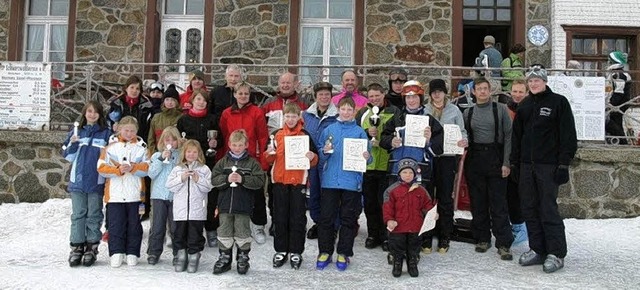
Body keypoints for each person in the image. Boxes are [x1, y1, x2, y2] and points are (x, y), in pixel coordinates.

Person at [511, 66, 577, 273]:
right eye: (530, 81)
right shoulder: (525, 105)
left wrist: (563, 164)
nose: (533, 84)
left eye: (537, 80)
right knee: (529, 208)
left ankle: (556, 253)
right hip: (526, 166)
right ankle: (537, 248)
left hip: (548, 166)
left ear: (545, 81)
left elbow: (568, 136)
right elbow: (517, 137)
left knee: (547, 209)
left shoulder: (558, 102)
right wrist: (514, 163)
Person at [315, 97, 372, 271]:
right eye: (343, 109)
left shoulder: (360, 132)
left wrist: (367, 157)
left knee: (348, 219)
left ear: (354, 111)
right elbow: (319, 152)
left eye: (349, 110)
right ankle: (325, 251)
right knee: (326, 218)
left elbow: (368, 158)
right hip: (330, 181)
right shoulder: (329, 129)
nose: (346, 113)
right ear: (338, 110)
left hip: (351, 182)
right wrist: (324, 152)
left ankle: (344, 252)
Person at [462, 77, 513, 260]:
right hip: (475, 160)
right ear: (474, 92)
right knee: (478, 202)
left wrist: (506, 163)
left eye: (485, 88)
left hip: (495, 158)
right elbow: (463, 135)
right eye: (479, 89)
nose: (482, 92)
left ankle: (504, 243)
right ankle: (482, 238)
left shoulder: (500, 109)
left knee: (498, 203)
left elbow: (509, 136)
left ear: (490, 91)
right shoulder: (467, 113)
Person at [263, 103, 318, 270]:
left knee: (297, 218)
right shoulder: (276, 135)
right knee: (280, 217)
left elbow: (315, 160)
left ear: (299, 117)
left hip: (298, 183)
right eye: (287, 116)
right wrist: (269, 154)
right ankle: (280, 250)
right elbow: (268, 158)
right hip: (279, 182)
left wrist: (311, 156)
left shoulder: (305, 136)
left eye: (294, 116)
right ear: (283, 117)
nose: (291, 119)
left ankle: (296, 251)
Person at [218, 82, 269, 245]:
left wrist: (262, 160)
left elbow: (262, 136)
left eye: (246, 94)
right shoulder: (227, 113)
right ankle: (233, 225)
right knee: (234, 191)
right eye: (240, 93)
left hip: (251, 157)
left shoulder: (257, 112)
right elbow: (224, 136)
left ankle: (258, 224)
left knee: (255, 191)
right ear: (234, 94)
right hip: (232, 156)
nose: (243, 96)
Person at [63, 100, 112, 267]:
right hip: (78, 181)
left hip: (96, 181)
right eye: (89, 111)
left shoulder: (105, 133)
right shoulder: (76, 132)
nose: (92, 114)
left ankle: (91, 246)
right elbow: (67, 156)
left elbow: (110, 157)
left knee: (94, 214)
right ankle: (77, 246)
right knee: (78, 214)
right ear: (84, 113)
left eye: (95, 112)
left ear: (100, 115)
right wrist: (74, 143)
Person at [97, 116, 149, 268]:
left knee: (134, 226)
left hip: (135, 195)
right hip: (115, 196)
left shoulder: (142, 148)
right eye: (126, 130)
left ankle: (132, 252)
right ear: (119, 129)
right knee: (115, 225)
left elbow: (148, 167)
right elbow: (101, 168)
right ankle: (116, 252)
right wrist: (117, 170)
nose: (129, 133)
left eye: (132, 130)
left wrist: (134, 168)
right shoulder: (110, 148)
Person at [212, 129, 266, 275]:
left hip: (243, 205)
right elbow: (214, 179)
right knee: (224, 231)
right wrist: (226, 179)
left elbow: (260, 181)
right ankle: (225, 257)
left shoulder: (252, 163)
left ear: (246, 145)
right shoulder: (222, 162)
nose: (237, 148)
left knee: (242, 231)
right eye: (234, 145)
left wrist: (243, 180)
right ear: (229, 144)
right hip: (225, 205)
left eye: (240, 145)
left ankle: (243, 257)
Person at [423, 79, 468, 253]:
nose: (437, 94)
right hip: (428, 157)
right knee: (427, 197)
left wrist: (464, 141)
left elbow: (462, 132)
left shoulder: (454, 110)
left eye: (440, 91)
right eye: (434, 91)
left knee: (445, 198)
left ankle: (444, 237)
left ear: (445, 93)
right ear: (430, 94)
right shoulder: (425, 110)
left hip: (447, 158)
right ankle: (426, 237)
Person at [261, 72, 309, 236]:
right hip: (277, 154)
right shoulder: (269, 102)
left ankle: (297, 224)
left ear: (295, 84)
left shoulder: (304, 103)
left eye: (289, 82)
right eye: (283, 83)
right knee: (276, 193)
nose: (285, 85)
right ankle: (276, 221)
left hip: (297, 156)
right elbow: (262, 127)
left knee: (297, 195)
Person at [355, 83, 401, 251]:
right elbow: (355, 134)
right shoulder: (362, 113)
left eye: (377, 95)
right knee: (370, 203)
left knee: (385, 203)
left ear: (383, 95)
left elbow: (398, 133)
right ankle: (373, 234)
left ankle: (385, 235)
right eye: (371, 96)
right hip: (368, 164)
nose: (374, 99)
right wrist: (368, 132)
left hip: (386, 164)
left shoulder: (394, 111)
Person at [176, 89, 220, 248]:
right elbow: (178, 140)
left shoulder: (212, 119)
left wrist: (215, 143)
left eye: (204, 101)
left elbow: (219, 139)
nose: (201, 102)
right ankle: (191, 232)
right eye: (199, 99)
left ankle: (211, 229)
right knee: (190, 198)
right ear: (192, 100)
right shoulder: (183, 120)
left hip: (207, 162)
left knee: (209, 197)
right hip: (188, 164)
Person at [107, 75, 154, 221]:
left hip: (138, 145)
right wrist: (112, 126)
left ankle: (141, 211)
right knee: (118, 176)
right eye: (132, 87)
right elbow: (109, 120)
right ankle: (113, 216)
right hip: (119, 145)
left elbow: (148, 126)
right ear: (126, 88)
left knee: (139, 177)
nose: (134, 91)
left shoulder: (146, 105)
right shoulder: (116, 103)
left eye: (137, 88)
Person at [383, 158, 436, 278]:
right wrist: (389, 220)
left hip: (415, 226)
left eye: (411, 173)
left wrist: (432, 213)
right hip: (398, 227)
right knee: (397, 246)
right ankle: (397, 263)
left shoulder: (421, 190)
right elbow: (387, 207)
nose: (408, 175)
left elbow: (427, 204)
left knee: (414, 246)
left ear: (415, 174)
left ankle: (412, 263)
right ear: (399, 174)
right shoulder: (391, 191)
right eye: (404, 172)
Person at [166, 139, 213, 273]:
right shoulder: (177, 169)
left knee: (195, 234)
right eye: (188, 151)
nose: (191, 154)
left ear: (199, 153)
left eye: (194, 152)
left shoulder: (204, 169)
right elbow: (169, 185)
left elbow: (209, 187)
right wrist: (181, 178)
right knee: (179, 234)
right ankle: (181, 255)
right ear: (184, 153)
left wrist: (198, 179)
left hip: (197, 211)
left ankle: (194, 256)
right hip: (180, 211)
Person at [302, 81, 338, 239]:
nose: (324, 97)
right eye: (321, 94)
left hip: (329, 161)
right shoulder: (306, 115)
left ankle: (333, 225)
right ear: (315, 97)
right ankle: (318, 222)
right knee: (313, 192)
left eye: (327, 94)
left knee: (329, 194)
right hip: (310, 160)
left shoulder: (337, 116)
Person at [146, 127, 182, 266]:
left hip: (175, 196)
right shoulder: (156, 156)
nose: (171, 142)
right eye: (167, 139)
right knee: (157, 225)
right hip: (159, 196)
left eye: (174, 139)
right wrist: (162, 159)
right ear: (162, 141)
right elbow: (151, 174)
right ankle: (153, 252)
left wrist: (173, 158)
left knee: (175, 227)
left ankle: (178, 252)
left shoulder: (180, 156)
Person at [505, 79, 528, 245]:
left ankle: (522, 227)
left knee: (524, 195)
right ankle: (515, 225)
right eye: (515, 91)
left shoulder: (530, 109)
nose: (517, 95)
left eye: (521, 91)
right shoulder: (506, 110)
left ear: (526, 93)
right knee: (510, 194)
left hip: (526, 158)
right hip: (510, 157)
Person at [605, 51, 633, 145]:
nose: (608, 61)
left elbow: (619, 92)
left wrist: (611, 104)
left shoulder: (619, 74)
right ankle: (621, 142)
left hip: (620, 103)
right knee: (616, 121)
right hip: (619, 102)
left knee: (610, 122)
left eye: (610, 60)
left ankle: (623, 142)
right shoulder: (616, 73)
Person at [147, 84, 182, 155]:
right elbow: (151, 139)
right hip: (158, 154)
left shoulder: (182, 118)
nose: (170, 102)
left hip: (176, 155)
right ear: (163, 102)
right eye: (167, 99)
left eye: (173, 100)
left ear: (177, 102)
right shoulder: (156, 118)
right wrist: (153, 154)